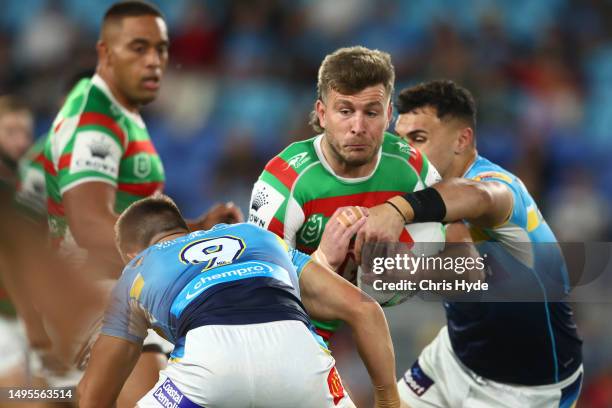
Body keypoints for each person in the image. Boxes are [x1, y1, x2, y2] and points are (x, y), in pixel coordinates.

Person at [41, 1, 240, 405]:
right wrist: (183, 258)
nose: (154, 61)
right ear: (105, 53)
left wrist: (196, 227)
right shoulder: (95, 120)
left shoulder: (121, 110)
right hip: (95, 292)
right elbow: (91, 224)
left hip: (118, 287)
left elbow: (130, 223)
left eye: (161, 48)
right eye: (138, 48)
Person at [77, 194, 402, 408]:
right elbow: (364, 308)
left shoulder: (137, 267)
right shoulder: (257, 236)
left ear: (133, 253)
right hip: (299, 358)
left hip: (209, 366)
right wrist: (388, 401)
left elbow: (95, 395)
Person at [392, 79, 583, 407]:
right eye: (401, 141)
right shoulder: (421, 186)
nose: (406, 152)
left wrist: (397, 215)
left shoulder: (499, 186)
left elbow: (477, 202)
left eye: (418, 139)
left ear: (462, 139)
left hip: (526, 387)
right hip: (455, 356)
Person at [248, 45, 440, 341]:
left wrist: (410, 269)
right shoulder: (282, 182)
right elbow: (260, 293)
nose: (358, 127)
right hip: (305, 329)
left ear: (389, 115)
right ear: (322, 114)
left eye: (371, 112)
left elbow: (460, 252)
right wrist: (323, 262)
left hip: (393, 325)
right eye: (345, 111)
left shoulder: (412, 167)